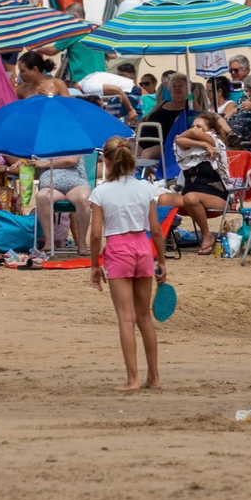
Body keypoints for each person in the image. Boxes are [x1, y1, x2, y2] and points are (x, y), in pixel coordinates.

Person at [88, 136, 166, 392]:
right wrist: (162, 261)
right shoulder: (146, 188)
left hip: (118, 249)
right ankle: (153, 377)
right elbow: (156, 230)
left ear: (107, 162)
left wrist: (94, 265)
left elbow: (96, 234)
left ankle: (132, 379)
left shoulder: (101, 192)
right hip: (143, 247)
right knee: (144, 317)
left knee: (125, 318)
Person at [166, 113, 229, 255]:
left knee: (191, 198)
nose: (194, 129)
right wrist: (203, 144)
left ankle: (207, 235)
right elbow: (179, 141)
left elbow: (183, 137)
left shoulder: (215, 143)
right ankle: (166, 237)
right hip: (190, 195)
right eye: (193, 126)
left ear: (211, 131)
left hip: (216, 197)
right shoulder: (189, 148)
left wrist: (206, 142)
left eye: (200, 126)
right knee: (160, 199)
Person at [32, 152, 93, 251]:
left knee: (83, 198)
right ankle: (49, 242)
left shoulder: (73, 141)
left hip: (76, 184)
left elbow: (71, 160)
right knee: (41, 197)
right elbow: (32, 164)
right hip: (49, 185)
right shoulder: (40, 145)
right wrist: (22, 162)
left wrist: (45, 163)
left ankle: (81, 243)